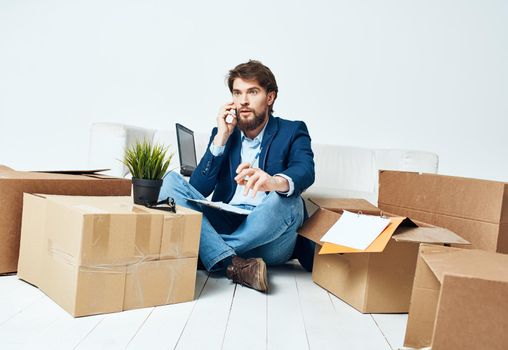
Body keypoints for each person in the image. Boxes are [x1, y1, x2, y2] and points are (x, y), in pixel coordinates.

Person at [159, 60, 315, 292]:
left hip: (269, 235)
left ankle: (209, 252)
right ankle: (234, 264)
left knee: (291, 201)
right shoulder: (224, 134)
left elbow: (305, 170)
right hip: (228, 221)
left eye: (252, 92)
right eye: (237, 93)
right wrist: (221, 137)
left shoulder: (292, 130)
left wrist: (273, 182)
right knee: (171, 181)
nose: (243, 100)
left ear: (270, 97)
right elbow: (199, 188)